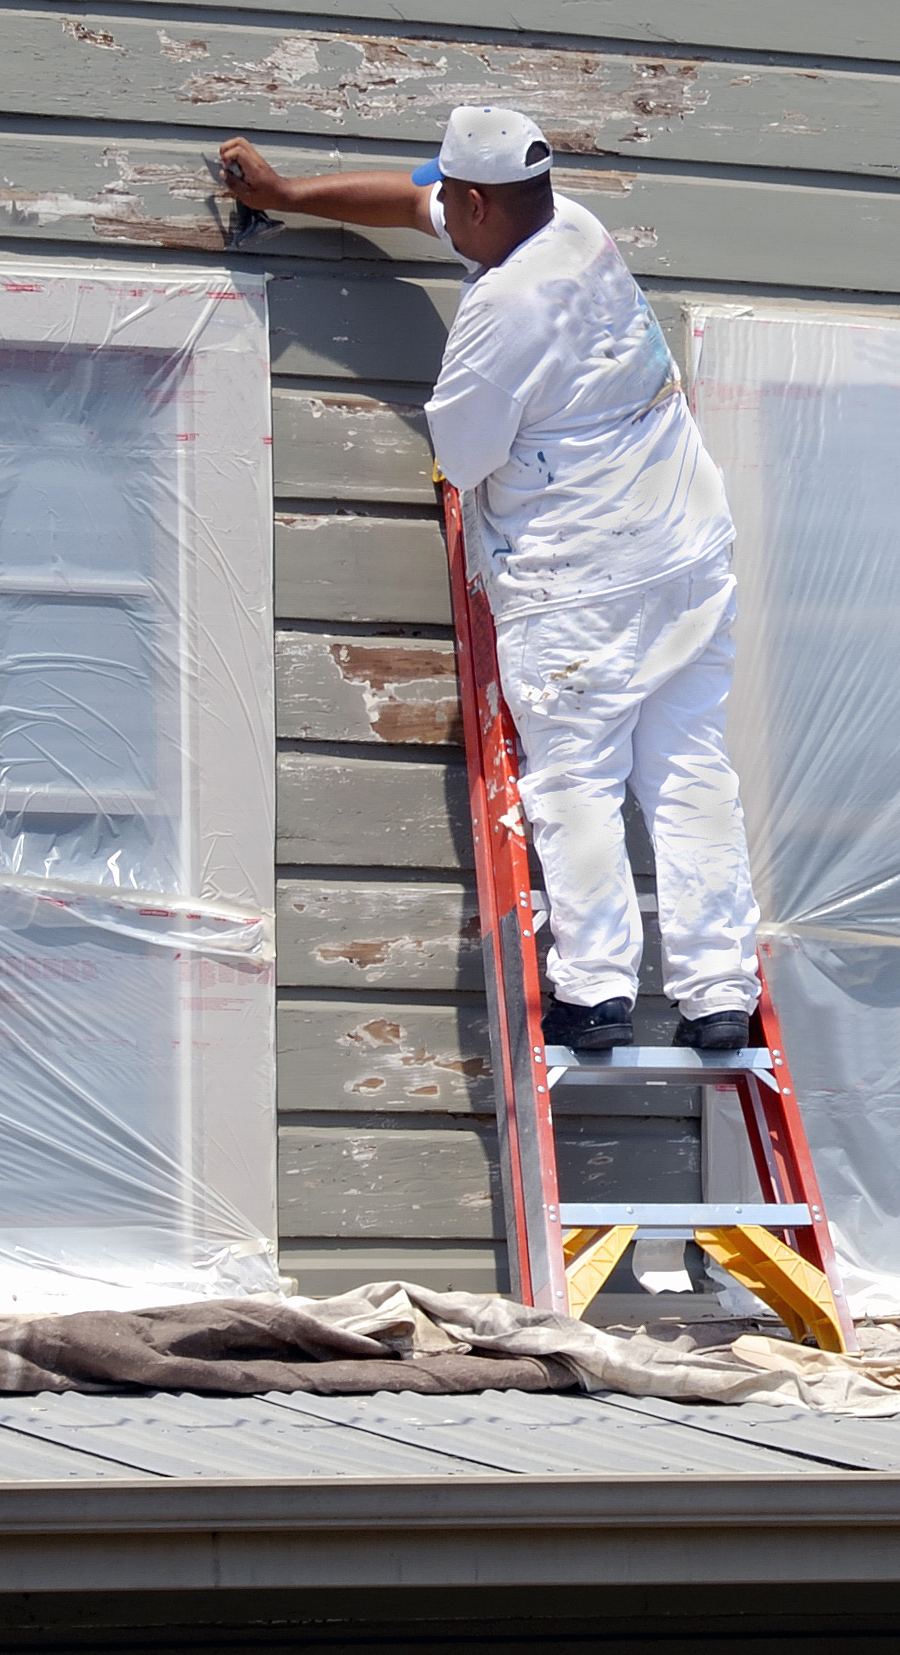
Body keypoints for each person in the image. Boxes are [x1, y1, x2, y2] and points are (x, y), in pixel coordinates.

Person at [216, 109, 759, 1056]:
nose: (440, 212)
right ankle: (721, 991)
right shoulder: (574, 225)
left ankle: (594, 992)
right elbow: (414, 203)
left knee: (580, 777)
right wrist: (287, 195)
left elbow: (463, 456)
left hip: (582, 586)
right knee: (689, 772)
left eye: (450, 201)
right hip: (685, 556)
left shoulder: (503, 311)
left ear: (477, 199)